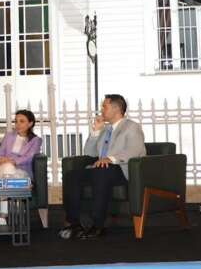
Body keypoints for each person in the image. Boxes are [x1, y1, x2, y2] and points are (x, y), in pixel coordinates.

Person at [58, 94, 146, 240]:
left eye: (104, 107)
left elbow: (133, 150)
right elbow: (90, 153)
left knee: (102, 172)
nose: (101, 110)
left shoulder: (131, 127)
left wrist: (110, 159)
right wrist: (96, 132)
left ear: (116, 109)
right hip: (102, 168)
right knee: (71, 176)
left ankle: (98, 225)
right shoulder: (106, 129)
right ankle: (74, 223)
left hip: (123, 169)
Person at [0, 109, 42, 225]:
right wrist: (1, 160)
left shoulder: (36, 140)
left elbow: (29, 157)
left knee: (8, 174)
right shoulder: (9, 136)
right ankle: (18, 200)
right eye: (16, 121)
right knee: (7, 169)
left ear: (30, 123)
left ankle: (3, 215)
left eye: (22, 121)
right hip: (1, 170)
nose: (18, 124)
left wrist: (13, 161)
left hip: (21, 172)